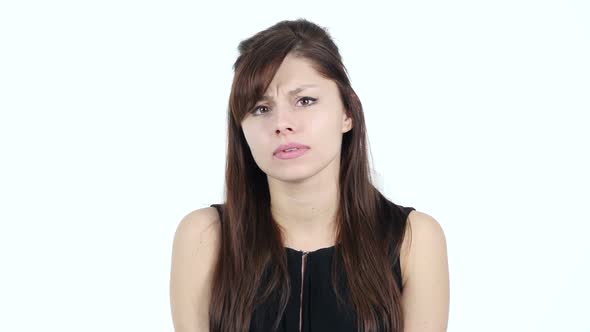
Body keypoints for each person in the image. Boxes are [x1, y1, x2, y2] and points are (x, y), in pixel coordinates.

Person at [170, 18, 449, 332]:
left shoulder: (413, 239)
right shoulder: (205, 237)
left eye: (305, 101)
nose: (282, 123)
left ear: (347, 112)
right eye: (261, 108)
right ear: (241, 129)